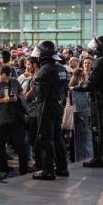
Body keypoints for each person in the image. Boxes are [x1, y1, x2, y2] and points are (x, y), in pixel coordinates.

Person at [72, 36, 103, 167]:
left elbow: (90, 84)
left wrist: (75, 87)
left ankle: (98, 158)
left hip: (99, 99)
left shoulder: (99, 61)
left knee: (97, 128)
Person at [31, 40, 69, 180]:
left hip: (46, 108)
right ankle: (62, 167)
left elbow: (40, 93)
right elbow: (65, 89)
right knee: (58, 138)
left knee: (46, 139)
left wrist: (34, 82)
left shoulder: (45, 70)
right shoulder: (61, 69)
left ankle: (48, 170)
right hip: (58, 106)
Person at [0, 65, 28, 175]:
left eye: (9, 77)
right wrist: (2, 100)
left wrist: (17, 98)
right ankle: (2, 167)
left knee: (20, 144)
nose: (7, 79)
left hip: (15, 117)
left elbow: (22, 93)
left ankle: (24, 168)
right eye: (5, 77)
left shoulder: (14, 81)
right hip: (0, 119)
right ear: (0, 74)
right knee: (0, 144)